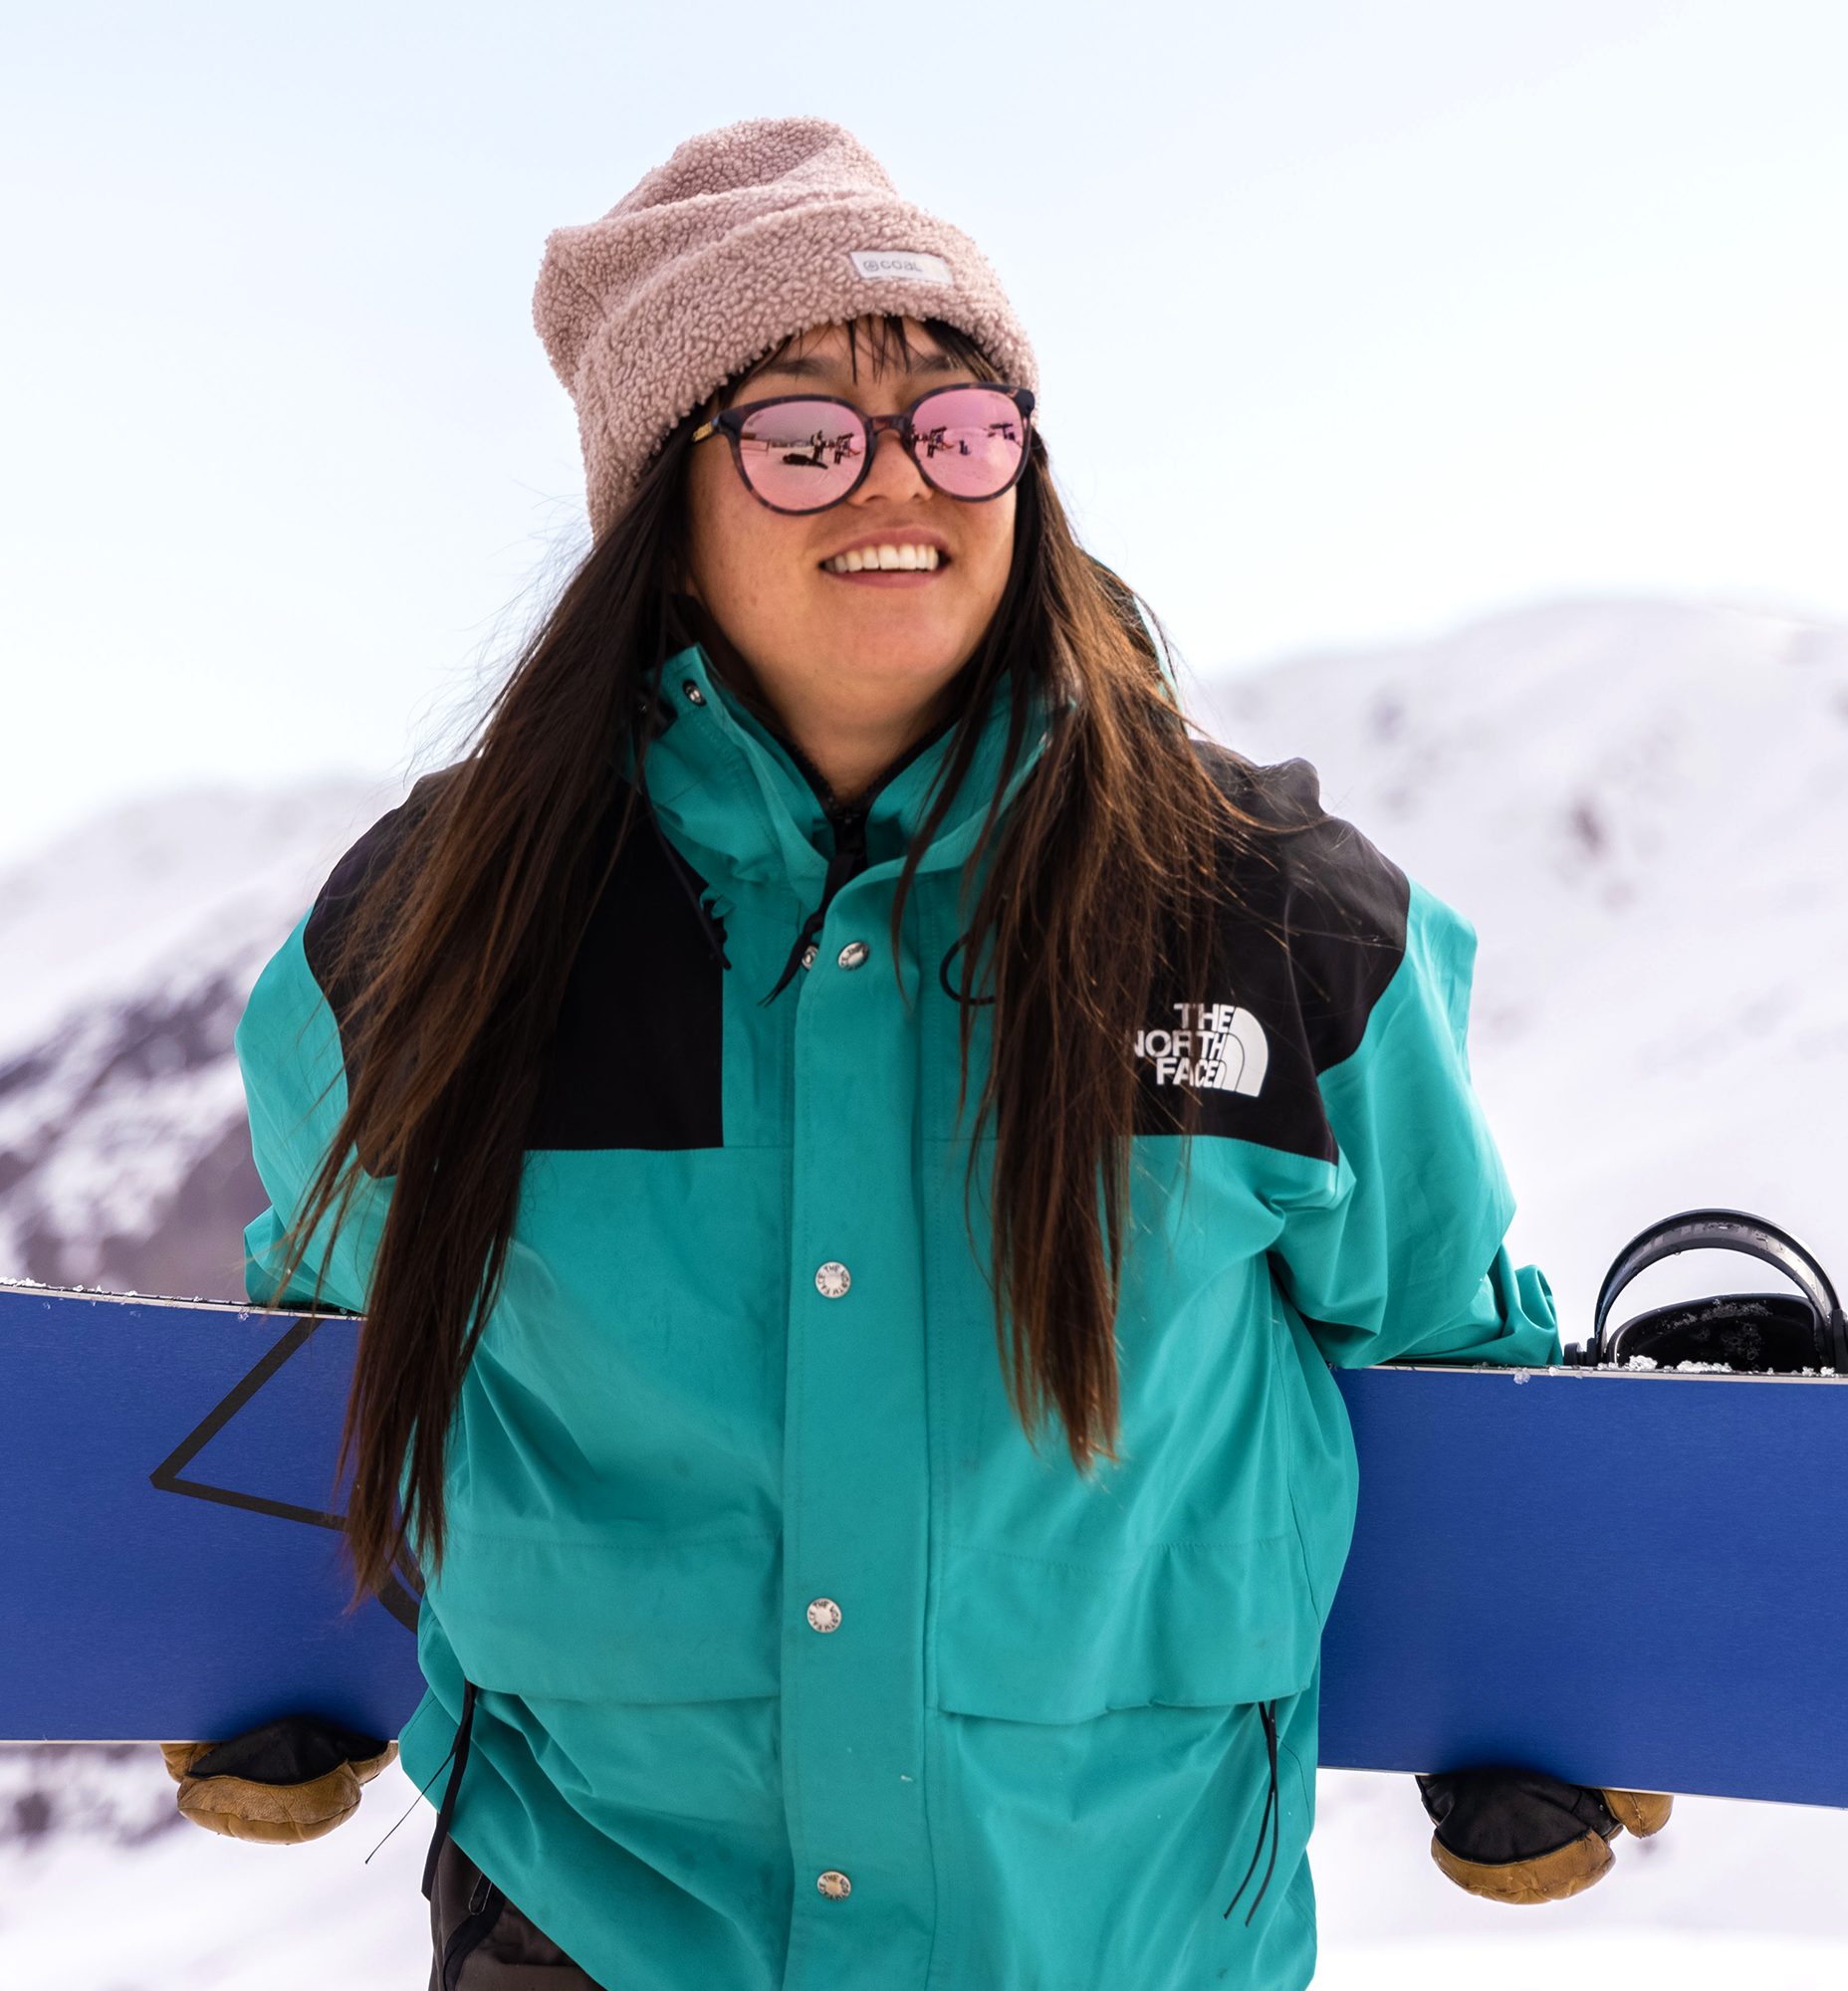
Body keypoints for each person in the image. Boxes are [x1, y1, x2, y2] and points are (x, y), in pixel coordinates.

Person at [186, 119, 1668, 1988]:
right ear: (662, 518)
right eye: (805, 437)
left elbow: (1444, 1348)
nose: (901, 479)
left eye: (962, 426)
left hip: (1124, 1939)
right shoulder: (435, 936)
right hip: (597, 1926)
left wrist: (1541, 1694)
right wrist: (246, 1658)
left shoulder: (1270, 917)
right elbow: (321, 1354)